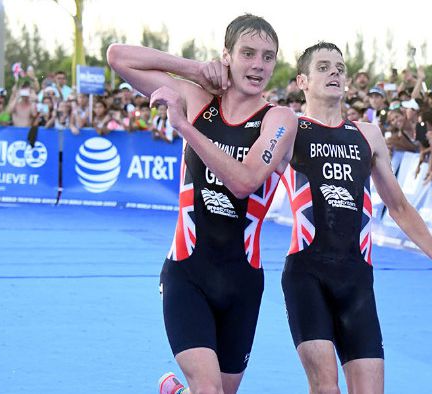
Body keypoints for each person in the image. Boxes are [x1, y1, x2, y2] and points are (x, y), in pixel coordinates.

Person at [107, 14, 297, 394]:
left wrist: (185, 128)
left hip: (242, 282)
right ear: (226, 56)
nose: (258, 65)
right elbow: (117, 57)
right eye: (247, 53)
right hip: (187, 272)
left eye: (268, 56)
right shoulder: (197, 98)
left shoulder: (279, 119)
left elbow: (245, 181)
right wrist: (194, 69)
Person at [281, 42, 432, 394]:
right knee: (325, 388)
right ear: (302, 81)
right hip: (307, 274)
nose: (335, 72)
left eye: (340, 67)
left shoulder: (368, 135)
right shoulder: (290, 127)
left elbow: (398, 207)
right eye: (323, 67)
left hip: (356, 279)